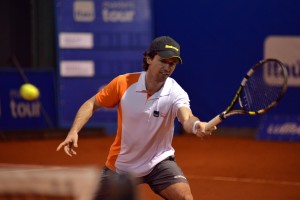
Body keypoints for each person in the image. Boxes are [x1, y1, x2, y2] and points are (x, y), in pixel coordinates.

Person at [56, 36, 216, 200]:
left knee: (185, 198)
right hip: (121, 165)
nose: (167, 68)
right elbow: (92, 104)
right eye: (163, 61)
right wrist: (74, 131)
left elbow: (187, 117)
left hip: (158, 163)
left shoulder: (176, 92)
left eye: (172, 64)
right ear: (149, 58)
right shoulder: (123, 83)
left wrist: (196, 125)